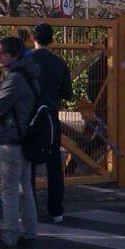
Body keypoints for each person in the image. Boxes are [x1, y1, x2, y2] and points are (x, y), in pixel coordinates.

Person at [0, 35, 40, 249]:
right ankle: (30, 238)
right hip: (26, 138)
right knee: (25, 189)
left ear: (14, 55)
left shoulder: (15, 78)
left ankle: (9, 240)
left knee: (9, 191)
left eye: (2, 53)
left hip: (12, 138)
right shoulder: (31, 72)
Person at [29, 24, 72, 224]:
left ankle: (29, 209)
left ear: (32, 38)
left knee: (27, 163)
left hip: (28, 117)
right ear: (52, 40)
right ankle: (56, 210)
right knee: (54, 163)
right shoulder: (59, 63)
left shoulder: (25, 60)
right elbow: (66, 93)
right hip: (51, 117)